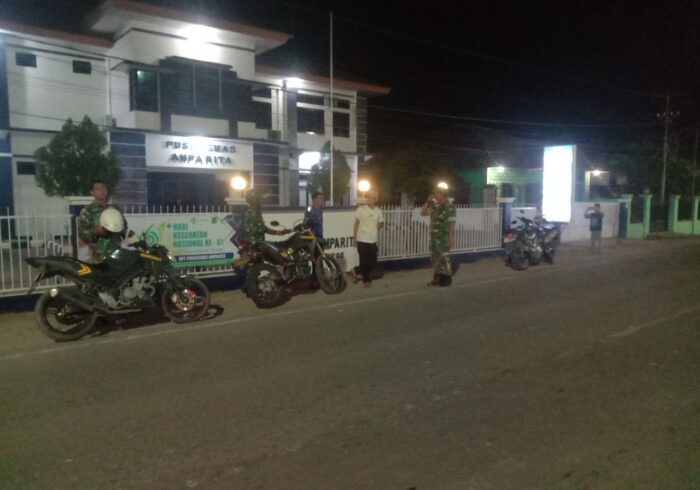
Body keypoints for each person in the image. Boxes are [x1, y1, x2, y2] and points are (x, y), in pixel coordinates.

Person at [77, 180, 124, 263]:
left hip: (115, 254)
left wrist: (118, 230)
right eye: (97, 189)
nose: (102, 191)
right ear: (92, 193)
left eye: (103, 188)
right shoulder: (87, 211)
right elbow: (82, 234)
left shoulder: (114, 209)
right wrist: (96, 232)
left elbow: (124, 226)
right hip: (97, 256)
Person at [420, 186, 456, 286]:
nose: (434, 195)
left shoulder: (449, 207)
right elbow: (422, 213)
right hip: (434, 237)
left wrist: (450, 240)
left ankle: (446, 278)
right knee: (435, 258)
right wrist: (427, 202)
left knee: (444, 258)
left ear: (442, 194)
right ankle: (437, 277)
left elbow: (452, 224)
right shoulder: (434, 206)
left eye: (436, 193)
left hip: (443, 237)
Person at [352, 190, 385, 288]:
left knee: (372, 262)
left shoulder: (378, 211)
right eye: (368, 197)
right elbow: (356, 224)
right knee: (363, 261)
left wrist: (379, 225)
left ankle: (356, 270)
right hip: (362, 239)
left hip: (373, 240)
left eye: (371, 197)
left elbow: (382, 223)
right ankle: (367, 281)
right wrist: (355, 237)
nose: (369, 199)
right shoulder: (361, 209)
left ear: (376, 200)